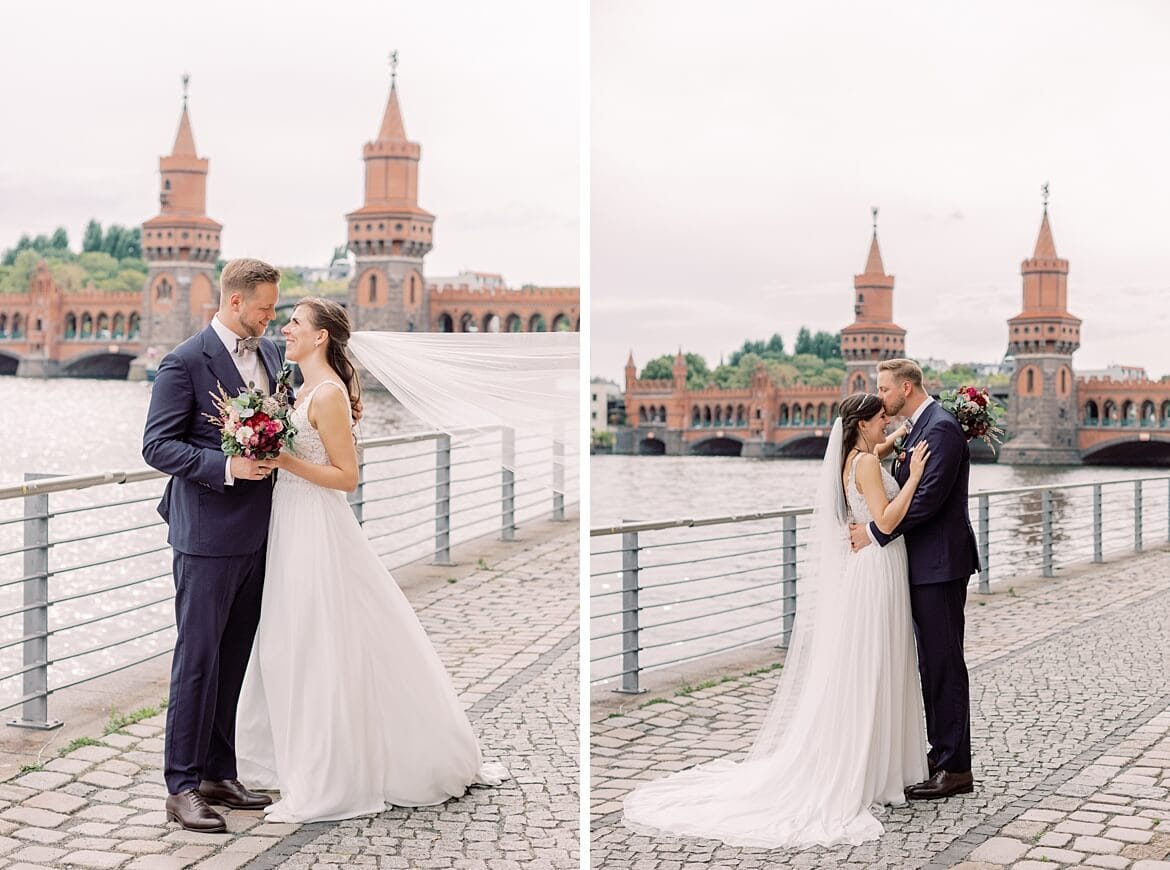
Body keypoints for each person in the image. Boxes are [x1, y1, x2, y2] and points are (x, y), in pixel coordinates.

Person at [234, 297, 509, 823]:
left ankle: (335, 769)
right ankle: (286, 758)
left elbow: (346, 476)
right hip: (288, 523)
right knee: (288, 639)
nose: (285, 329)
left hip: (316, 524)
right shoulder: (300, 389)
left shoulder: (330, 394)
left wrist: (282, 458)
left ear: (319, 338)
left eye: (294, 323)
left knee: (320, 639)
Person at [622, 393, 930, 849]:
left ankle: (873, 760)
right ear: (863, 423)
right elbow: (884, 518)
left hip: (865, 566)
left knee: (869, 662)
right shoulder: (864, 463)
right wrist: (915, 478)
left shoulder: (853, 457)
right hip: (877, 562)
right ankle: (876, 768)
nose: (890, 420)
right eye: (883, 417)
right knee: (876, 662)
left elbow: (873, 461)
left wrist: (897, 439)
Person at [142, 258, 285, 832]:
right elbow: (156, 447)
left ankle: (218, 773)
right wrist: (225, 464)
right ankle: (181, 786)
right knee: (196, 662)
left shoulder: (271, 356)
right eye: (265, 309)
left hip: (261, 531)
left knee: (233, 659)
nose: (271, 319)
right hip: (204, 534)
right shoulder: (182, 362)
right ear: (234, 303)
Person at [850, 358, 980, 800]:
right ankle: (940, 752)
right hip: (922, 564)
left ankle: (956, 768)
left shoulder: (940, 428)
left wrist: (874, 531)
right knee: (930, 664)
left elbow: (926, 499)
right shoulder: (920, 427)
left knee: (943, 664)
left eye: (884, 389)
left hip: (940, 566)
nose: (880, 398)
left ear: (906, 388)